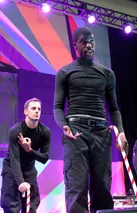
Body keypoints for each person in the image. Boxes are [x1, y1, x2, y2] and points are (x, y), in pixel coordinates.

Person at [53, 26, 128, 213]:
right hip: (75, 132)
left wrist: (121, 132)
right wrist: (64, 126)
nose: (89, 45)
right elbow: (57, 107)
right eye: (84, 42)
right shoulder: (65, 72)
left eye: (92, 40)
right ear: (75, 45)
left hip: (101, 133)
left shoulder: (107, 73)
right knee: (77, 187)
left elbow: (114, 108)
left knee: (102, 187)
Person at [0, 98, 51, 213]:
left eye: (39, 109)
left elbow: (44, 158)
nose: (37, 111)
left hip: (29, 168)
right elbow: (15, 158)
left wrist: (29, 150)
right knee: (11, 205)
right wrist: (20, 182)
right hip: (11, 168)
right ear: (26, 112)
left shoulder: (45, 132)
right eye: (33, 108)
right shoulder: (16, 131)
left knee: (32, 205)